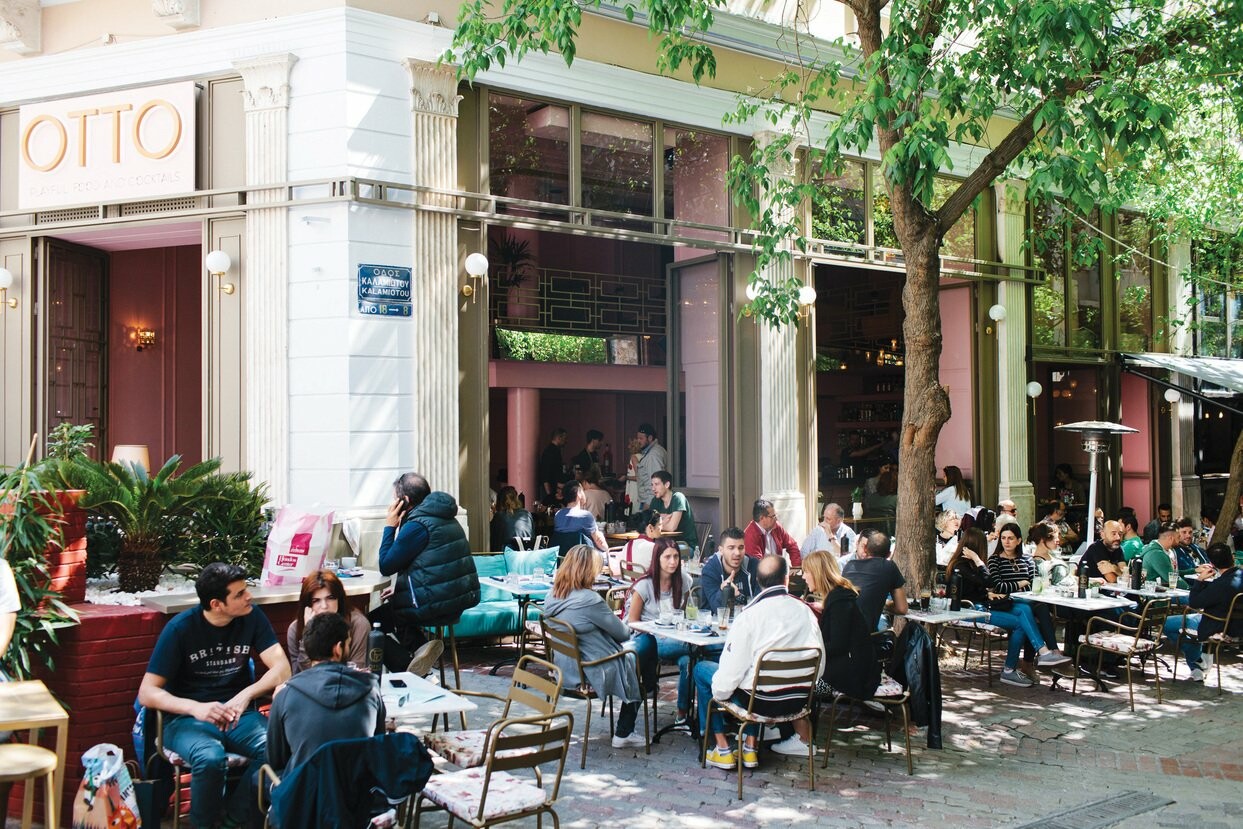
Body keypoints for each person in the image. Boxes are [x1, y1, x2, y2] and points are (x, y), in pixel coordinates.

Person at [137, 563, 292, 829]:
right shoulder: (181, 629)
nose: (249, 597)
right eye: (240, 594)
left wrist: (246, 695)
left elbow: (282, 668)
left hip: (237, 716)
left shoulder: (252, 617)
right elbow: (147, 693)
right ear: (216, 604)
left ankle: (234, 818)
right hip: (186, 720)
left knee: (278, 749)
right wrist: (195, 708)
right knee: (210, 759)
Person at [694, 555, 824, 767]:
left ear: (758, 581)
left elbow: (730, 675)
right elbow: (820, 664)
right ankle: (750, 747)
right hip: (799, 701)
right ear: (786, 579)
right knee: (750, 674)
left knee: (702, 669)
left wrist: (720, 693)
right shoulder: (806, 611)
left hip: (760, 703)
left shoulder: (749, 616)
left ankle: (722, 748)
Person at [543, 545, 646, 749]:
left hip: (563, 667)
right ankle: (624, 731)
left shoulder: (552, 594)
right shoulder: (589, 600)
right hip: (588, 670)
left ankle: (633, 711)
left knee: (634, 657)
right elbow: (623, 634)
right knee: (639, 656)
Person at [948, 528, 1068, 687]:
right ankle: (1012, 668)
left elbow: (979, 588)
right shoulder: (961, 565)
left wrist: (988, 593)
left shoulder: (970, 564)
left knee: (1025, 609)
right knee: (1019, 624)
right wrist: (977, 560)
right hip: (970, 611)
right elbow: (990, 582)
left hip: (983, 604)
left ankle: (1043, 653)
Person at [378, 472, 481, 657]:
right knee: (396, 608)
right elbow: (435, 568)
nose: (392, 505)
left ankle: (419, 658)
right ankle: (421, 657)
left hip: (435, 606)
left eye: (394, 500)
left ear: (404, 500)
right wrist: (402, 588)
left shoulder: (417, 525)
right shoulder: (445, 517)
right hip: (456, 601)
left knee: (370, 624)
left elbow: (386, 566)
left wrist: (390, 526)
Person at [267, 613, 385, 774]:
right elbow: (377, 747)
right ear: (338, 649)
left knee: (257, 778)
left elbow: (274, 759)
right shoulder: (371, 690)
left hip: (304, 787)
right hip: (358, 787)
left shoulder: (285, 695)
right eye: (348, 644)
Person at [627, 539, 694, 728]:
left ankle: (682, 714)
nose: (673, 561)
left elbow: (684, 614)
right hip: (650, 640)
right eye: (667, 557)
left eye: (676, 557)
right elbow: (633, 622)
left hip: (677, 638)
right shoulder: (644, 585)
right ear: (657, 558)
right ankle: (699, 648)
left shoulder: (684, 580)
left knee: (689, 661)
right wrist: (657, 630)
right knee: (695, 649)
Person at [800, 550, 880, 701]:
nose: (803, 576)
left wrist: (808, 651)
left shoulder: (839, 602)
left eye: (806, 572)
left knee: (797, 686)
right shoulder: (837, 596)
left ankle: (803, 715)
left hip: (854, 676)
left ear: (817, 573)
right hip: (848, 667)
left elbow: (838, 645)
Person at [1162, 543, 1243, 681]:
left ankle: (1197, 662)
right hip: (1237, 627)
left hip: (1219, 626)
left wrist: (1200, 580)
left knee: (1166, 623)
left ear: (1212, 564)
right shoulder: (1232, 580)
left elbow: (1194, 603)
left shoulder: (1220, 585)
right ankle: (1200, 661)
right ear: (1232, 557)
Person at [286, 570, 371, 674]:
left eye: (330, 598)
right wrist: (307, 635)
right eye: (316, 600)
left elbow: (357, 673)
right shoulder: (295, 629)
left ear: (339, 599)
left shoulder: (358, 625)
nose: (324, 606)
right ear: (307, 605)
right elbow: (300, 677)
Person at [842, 530, 907, 630]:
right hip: (864, 634)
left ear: (865, 549)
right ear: (889, 554)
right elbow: (902, 608)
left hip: (839, 627)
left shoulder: (849, 565)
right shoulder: (889, 567)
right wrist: (885, 604)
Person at [700, 527, 760, 612]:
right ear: (721, 550)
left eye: (741, 547)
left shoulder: (754, 566)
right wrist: (724, 591)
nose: (737, 553)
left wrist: (739, 596)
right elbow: (716, 609)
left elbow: (762, 603)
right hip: (716, 620)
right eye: (731, 548)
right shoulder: (710, 570)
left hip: (748, 618)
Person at [744, 498, 802, 566]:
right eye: (773, 516)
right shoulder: (750, 536)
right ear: (762, 518)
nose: (776, 519)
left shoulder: (776, 527)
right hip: (763, 571)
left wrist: (796, 567)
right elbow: (758, 566)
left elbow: (792, 545)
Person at [554, 480, 608, 552]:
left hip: (563, 557)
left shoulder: (558, 515)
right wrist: (607, 549)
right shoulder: (586, 516)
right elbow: (600, 544)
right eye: (583, 490)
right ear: (579, 494)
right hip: (583, 556)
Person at [649, 470, 697, 550]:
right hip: (664, 543)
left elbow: (672, 527)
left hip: (684, 545)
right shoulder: (655, 500)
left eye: (656, 484)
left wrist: (659, 523)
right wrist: (665, 521)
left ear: (667, 484)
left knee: (658, 552)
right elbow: (649, 525)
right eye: (652, 485)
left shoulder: (678, 498)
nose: (653, 488)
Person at [632, 423, 668, 510]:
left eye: (641, 438)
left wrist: (648, 506)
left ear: (650, 438)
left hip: (651, 502)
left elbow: (656, 483)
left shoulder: (652, 455)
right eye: (637, 438)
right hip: (654, 501)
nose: (638, 441)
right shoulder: (657, 450)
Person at [1141, 521, 1185, 588]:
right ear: (1171, 538)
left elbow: (1173, 572)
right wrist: (1191, 590)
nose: (1180, 540)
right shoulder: (1156, 554)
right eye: (1178, 537)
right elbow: (1172, 578)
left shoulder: (1169, 551)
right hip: (1154, 592)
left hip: (1162, 589)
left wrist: (1193, 571)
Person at [490, 485, 534, 550]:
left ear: (499, 501)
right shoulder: (527, 514)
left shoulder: (499, 516)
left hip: (506, 553)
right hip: (526, 552)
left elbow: (492, 539)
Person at [538, 428, 569, 499]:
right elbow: (545, 474)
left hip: (554, 489)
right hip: (551, 490)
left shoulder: (553, 451)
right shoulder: (550, 452)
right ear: (558, 438)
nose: (566, 441)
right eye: (565, 438)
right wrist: (549, 495)